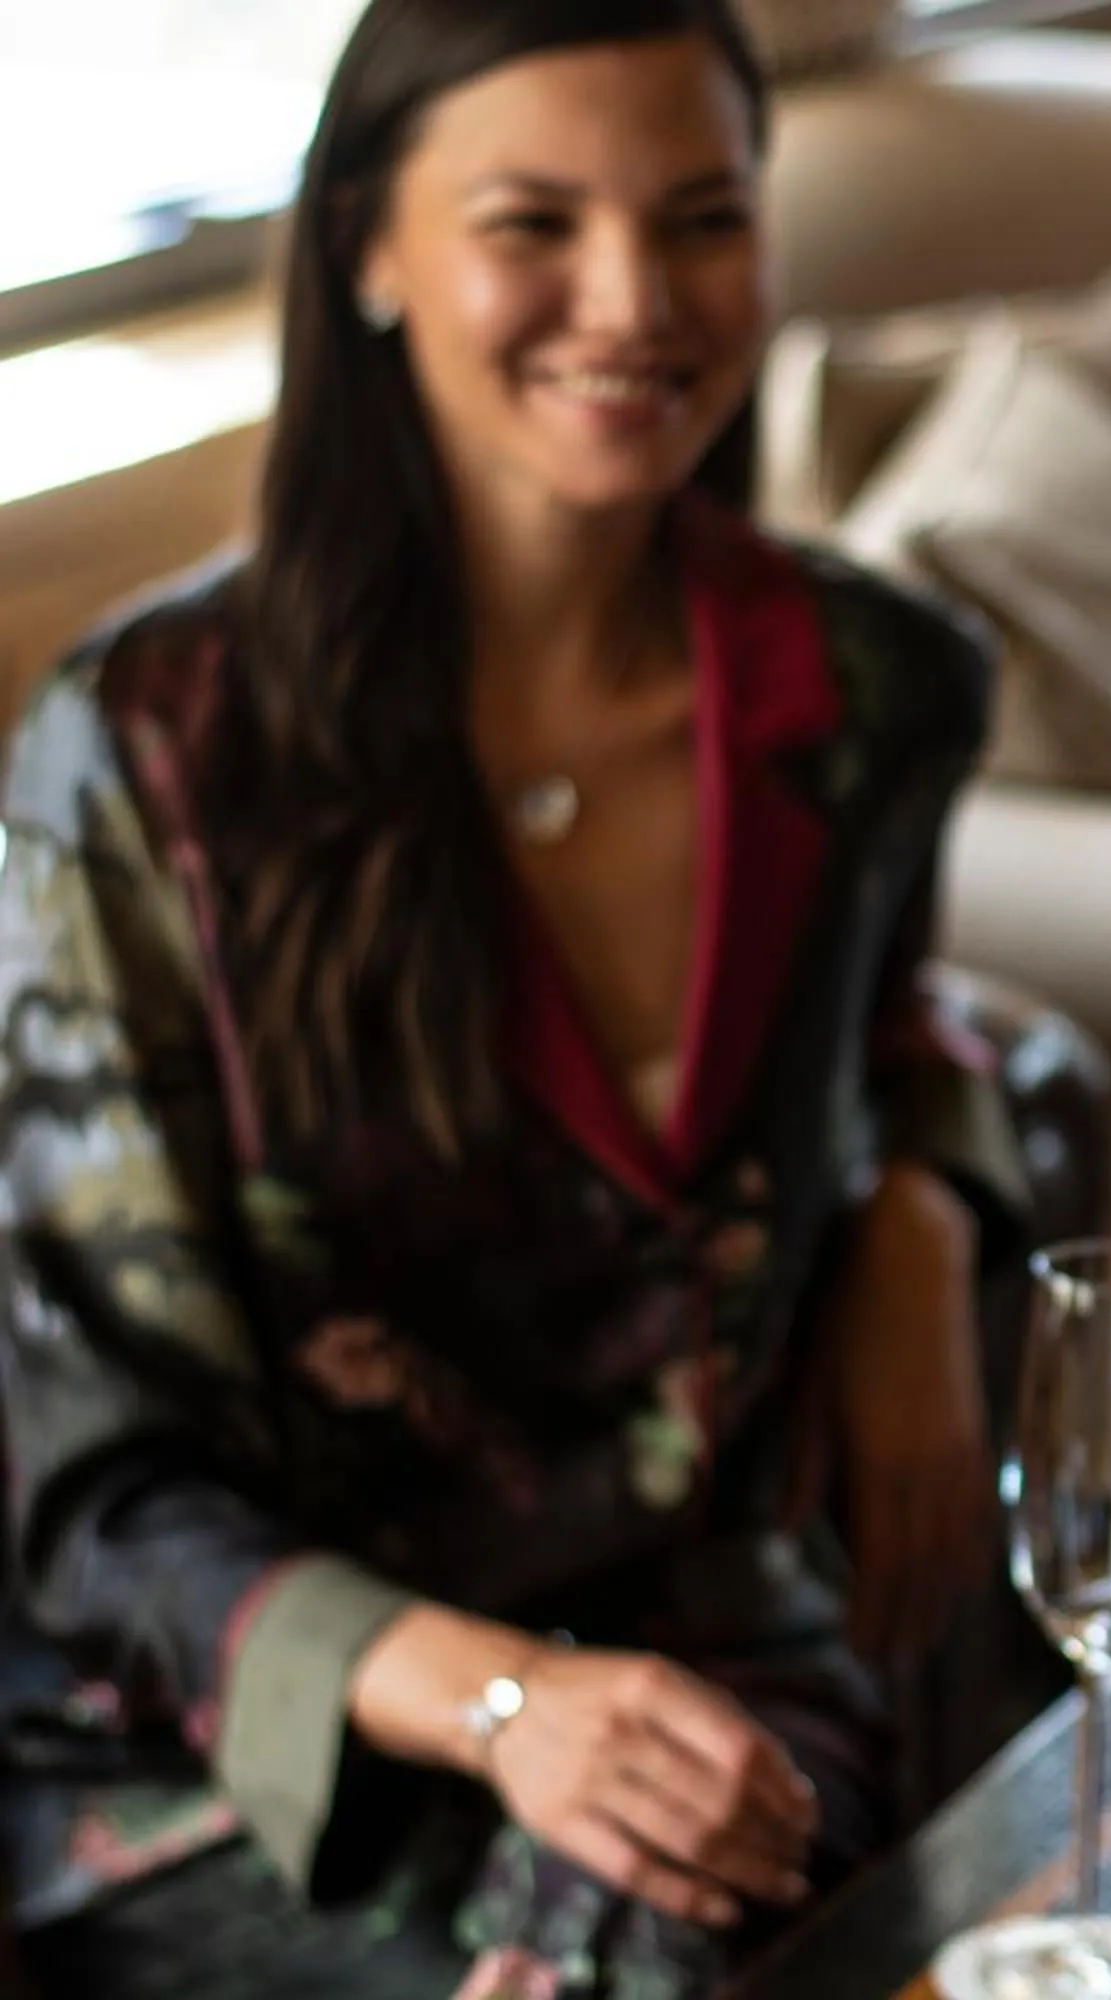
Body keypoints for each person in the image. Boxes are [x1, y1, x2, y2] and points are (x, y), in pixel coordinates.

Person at [0, 1, 1014, 1991]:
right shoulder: (142, 758)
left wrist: (924, 1210)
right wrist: (501, 1708)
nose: (631, 300)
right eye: (532, 221)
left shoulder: (886, 689)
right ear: (369, 243)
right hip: (241, 1748)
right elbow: (91, 1479)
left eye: (701, 217)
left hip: (717, 1666)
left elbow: (909, 1020)